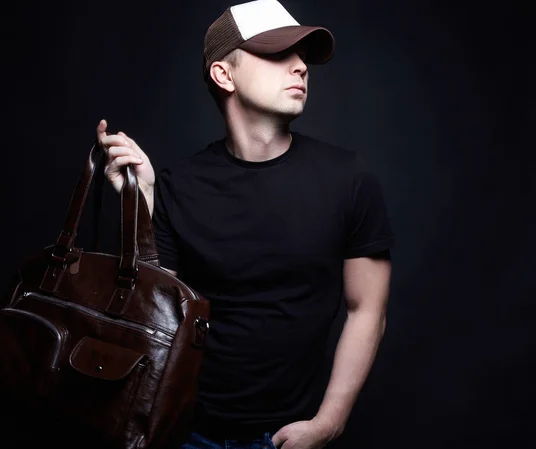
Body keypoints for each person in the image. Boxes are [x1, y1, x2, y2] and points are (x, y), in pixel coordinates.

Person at [97, 1, 394, 448]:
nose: (300, 67)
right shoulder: (179, 186)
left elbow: (366, 310)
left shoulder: (349, 179)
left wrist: (329, 423)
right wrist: (143, 205)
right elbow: (153, 316)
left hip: (290, 436)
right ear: (224, 74)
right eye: (278, 53)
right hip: (184, 428)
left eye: (303, 56)